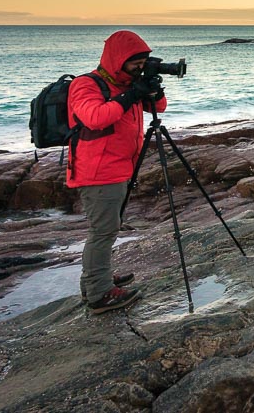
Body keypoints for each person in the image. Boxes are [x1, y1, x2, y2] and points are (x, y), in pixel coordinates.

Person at [66, 29, 165, 314]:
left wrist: (151, 88)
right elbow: (95, 118)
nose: (140, 68)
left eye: (143, 62)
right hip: (98, 171)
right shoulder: (86, 85)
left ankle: (98, 278)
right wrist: (133, 93)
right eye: (136, 62)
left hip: (118, 167)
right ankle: (99, 294)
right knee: (103, 231)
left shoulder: (125, 86)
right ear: (118, 59)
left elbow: (160, 107)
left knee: (108, 229)